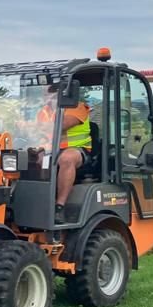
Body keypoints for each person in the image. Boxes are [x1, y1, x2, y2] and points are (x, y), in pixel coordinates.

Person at [36, 82, 92, 222]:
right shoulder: (43, 112)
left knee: (66, 159)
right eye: (44, 93)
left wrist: (34, 125)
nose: (46, 96)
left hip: (78, 150)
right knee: (27, 159)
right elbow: (35, 131)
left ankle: (59, 206)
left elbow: (62, 124)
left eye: (50, 92)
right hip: (51, 149)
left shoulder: (77, 107)